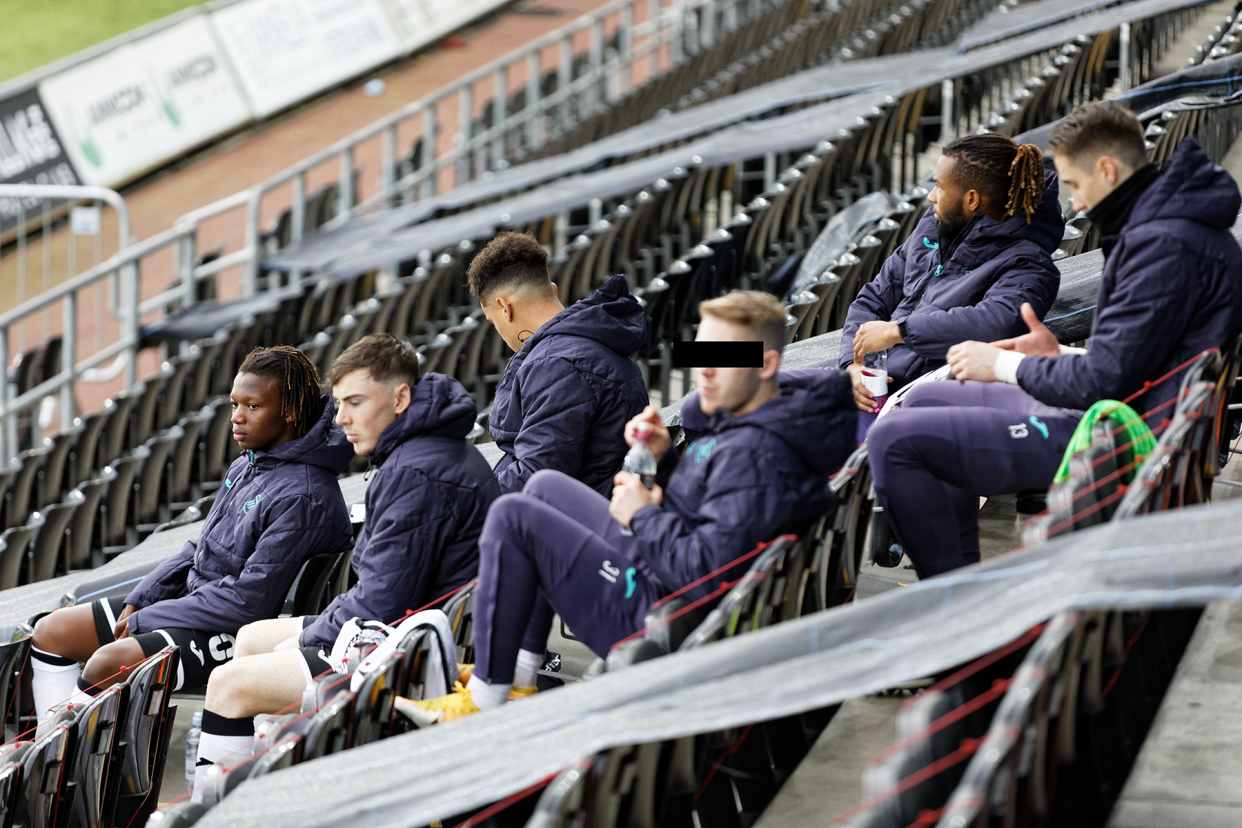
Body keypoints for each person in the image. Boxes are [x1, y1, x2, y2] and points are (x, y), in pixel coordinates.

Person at [402, 291, 856, 723]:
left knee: (511, 517)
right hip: (672, 583)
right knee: (542, 488)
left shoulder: (755, 452)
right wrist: (664, 458)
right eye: (701, 353)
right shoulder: (752, 422)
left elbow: (707, 573)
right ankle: (516, 679)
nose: (705, 372)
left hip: (667, 621)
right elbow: (716, 511)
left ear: (766, 364)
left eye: (723, 357)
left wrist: (642, 515)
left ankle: (486, 696)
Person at [867, 101, 1242, 579]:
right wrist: (1056, 353)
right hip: (1129, 404)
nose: (1076, 204)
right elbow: (1136, 355)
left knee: (894, 438)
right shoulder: (1165, 232)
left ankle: (949, 603)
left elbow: (1102, 382)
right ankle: (958, 581)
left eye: (1076, 186)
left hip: (1123, 432)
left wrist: (1005, 367)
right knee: (923, 398)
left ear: (1106, 169)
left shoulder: (1163, 247)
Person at [191, 334, 499, 789]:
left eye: (355, 402)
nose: (342, 419)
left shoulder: (415, 471)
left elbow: (381, 603)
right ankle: (269, 782)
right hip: (414, 624)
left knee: (227, 685)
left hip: (409, 648)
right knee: (252, 637)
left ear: (400, 396)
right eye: (338, 403)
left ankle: (221, 809)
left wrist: (311, 637)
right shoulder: (419, 450)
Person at [29, 347, 353, 723]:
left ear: (291, 412)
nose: (236, 418)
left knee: (107, 663)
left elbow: (249, 603)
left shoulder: (305, 494)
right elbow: (200, 548)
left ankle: (53, 767)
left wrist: (147, 619)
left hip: (238, 628)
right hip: (198, 601)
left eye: (252, 406)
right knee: (53, 630)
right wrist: (144, 597)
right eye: (234, 404)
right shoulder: (248, 464)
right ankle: (44, 745)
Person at [840, 133, 1063, 438]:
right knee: (755, 361)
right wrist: (850, 366)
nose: (931, 196)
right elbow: (872, 297)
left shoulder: (1028, 263)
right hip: (867, 388)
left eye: (939, 187)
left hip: (914, 405)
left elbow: (996, 322)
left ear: (971, 199)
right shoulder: (930, 228)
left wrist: (898, 331)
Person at [471, 231, 649, 494]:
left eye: (493, 321)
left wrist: (467, 502)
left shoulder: (556, 365)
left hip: (586, 520)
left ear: (505, 307)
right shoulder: (591, 338)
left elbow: (536, 481)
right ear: (552, 289)